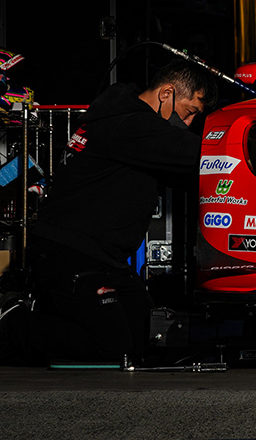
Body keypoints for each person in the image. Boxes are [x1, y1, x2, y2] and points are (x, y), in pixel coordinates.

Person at [1, 60, 216, 365]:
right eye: (189, 111)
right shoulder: (131, 125)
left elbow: (183, 174)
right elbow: (196, 153)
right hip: (71, 254)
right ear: (167, 93)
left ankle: (47, 311)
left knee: (144, 338)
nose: (189, 122)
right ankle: (11, 322)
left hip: (104, 259)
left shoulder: (124, 119)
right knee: (114, 349)